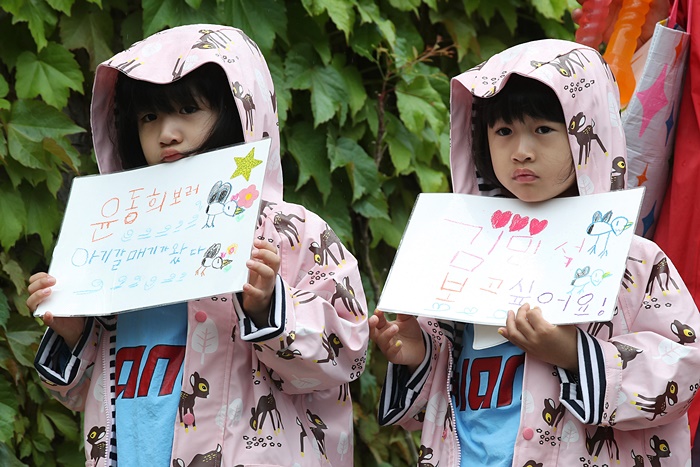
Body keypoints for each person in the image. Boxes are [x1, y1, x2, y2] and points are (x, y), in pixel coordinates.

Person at [28, 24, 369, 467]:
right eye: (148, 117)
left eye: (188, 109)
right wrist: (73, 333)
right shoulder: (117, 237)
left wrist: (270, 309)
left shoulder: (290, 231)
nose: (166, 133)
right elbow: (85, 393)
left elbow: (347, 353)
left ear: (237, 110)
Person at [370, 39, 700, 466]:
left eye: (543, 130)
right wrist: (418, 354)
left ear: (587, 133)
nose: (521, 151)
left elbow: (684, 367)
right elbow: (439, 398)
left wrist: (573, 353)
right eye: (503, 132)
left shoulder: (634, 261)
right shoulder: (459, 252)